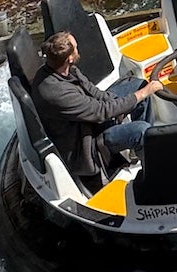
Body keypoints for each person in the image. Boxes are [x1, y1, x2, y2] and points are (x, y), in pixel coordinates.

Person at [32, 30, 164, 180]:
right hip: (87, 143)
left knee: (139, 85)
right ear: (69, 58)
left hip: (91, 120)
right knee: (141, 130)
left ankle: (146, 148)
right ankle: (155, 174)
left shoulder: (67, 70)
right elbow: (102, 112)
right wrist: (143, 94)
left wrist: (120, 102)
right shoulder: (55, 92)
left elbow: (95, 93)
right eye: (76, 47)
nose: (78, 49)